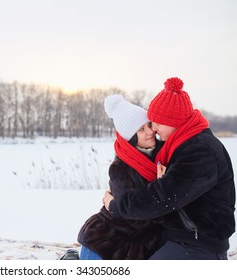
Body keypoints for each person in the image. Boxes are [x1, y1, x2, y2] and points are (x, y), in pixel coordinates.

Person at [103, 77, 236, 260]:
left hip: (198, 245)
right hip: (177, 238)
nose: (154, 129)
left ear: (174, 121)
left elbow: (163, 197)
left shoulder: (200, 150)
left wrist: (116, 206)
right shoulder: (179, 146)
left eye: (156, 122)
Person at [77, 94, 164, 260]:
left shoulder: (163, 154)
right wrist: (161, 187)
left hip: (139, 242)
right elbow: (137, 217)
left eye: (148, 125)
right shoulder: (120, 169)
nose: (149, 132)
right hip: (106, 241)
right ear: (131, 138)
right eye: (141, 129)